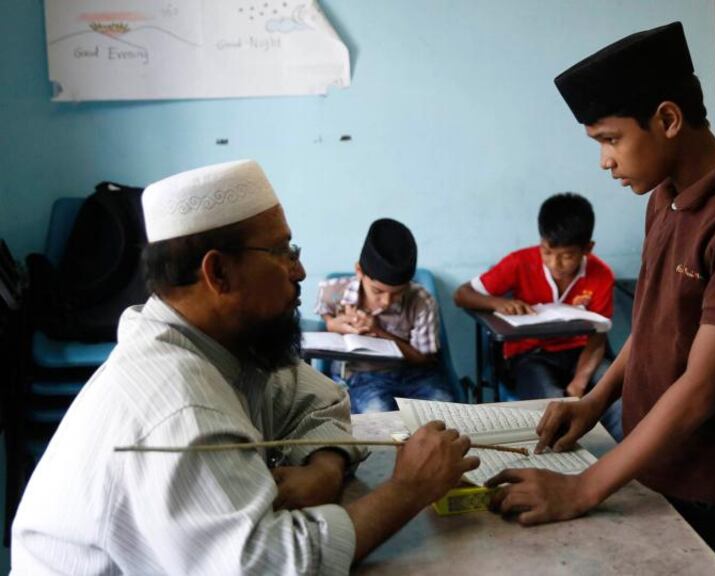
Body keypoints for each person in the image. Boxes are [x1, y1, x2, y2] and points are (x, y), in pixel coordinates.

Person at [12, 160, 478, 575]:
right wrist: (408, 489)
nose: (299, 271)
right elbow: (268, 564)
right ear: (218, 275)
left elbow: (320, 398)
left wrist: (325, 467)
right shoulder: (178, 405)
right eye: (282, 251)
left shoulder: (224, 344)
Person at [486, 23, 715, 575]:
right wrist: (594, 402)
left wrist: (581, 491)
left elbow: (703, 386)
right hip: (653, 456)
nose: (605, 161)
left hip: (710, 476)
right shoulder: (665, 199)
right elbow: (652, 325)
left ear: (668, 120)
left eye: (610, 139)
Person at [453, 192, 622, 439]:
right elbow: (461, 294)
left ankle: (623, 468)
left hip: (582, 354)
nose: (555, 263)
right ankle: (565, 470)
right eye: (547, 251)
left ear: (587, 249)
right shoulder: (520, 262)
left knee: (618, 398)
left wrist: (580, 381)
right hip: (531, 357)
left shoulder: (601, 274)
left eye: (567, 256)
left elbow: (598, 336)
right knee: (550, 406)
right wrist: (497, 303)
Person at [315, 218, 453, 413]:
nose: (388, 301)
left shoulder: (421, 301)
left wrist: (378, 331)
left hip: (416, 374)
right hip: (363, 377)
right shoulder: (333, 292)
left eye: (398, 292)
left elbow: (424, 359)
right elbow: (327, 321)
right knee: (379, 417)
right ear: (359, 271)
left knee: (444, 410)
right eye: (378, 291)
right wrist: (333, 324)